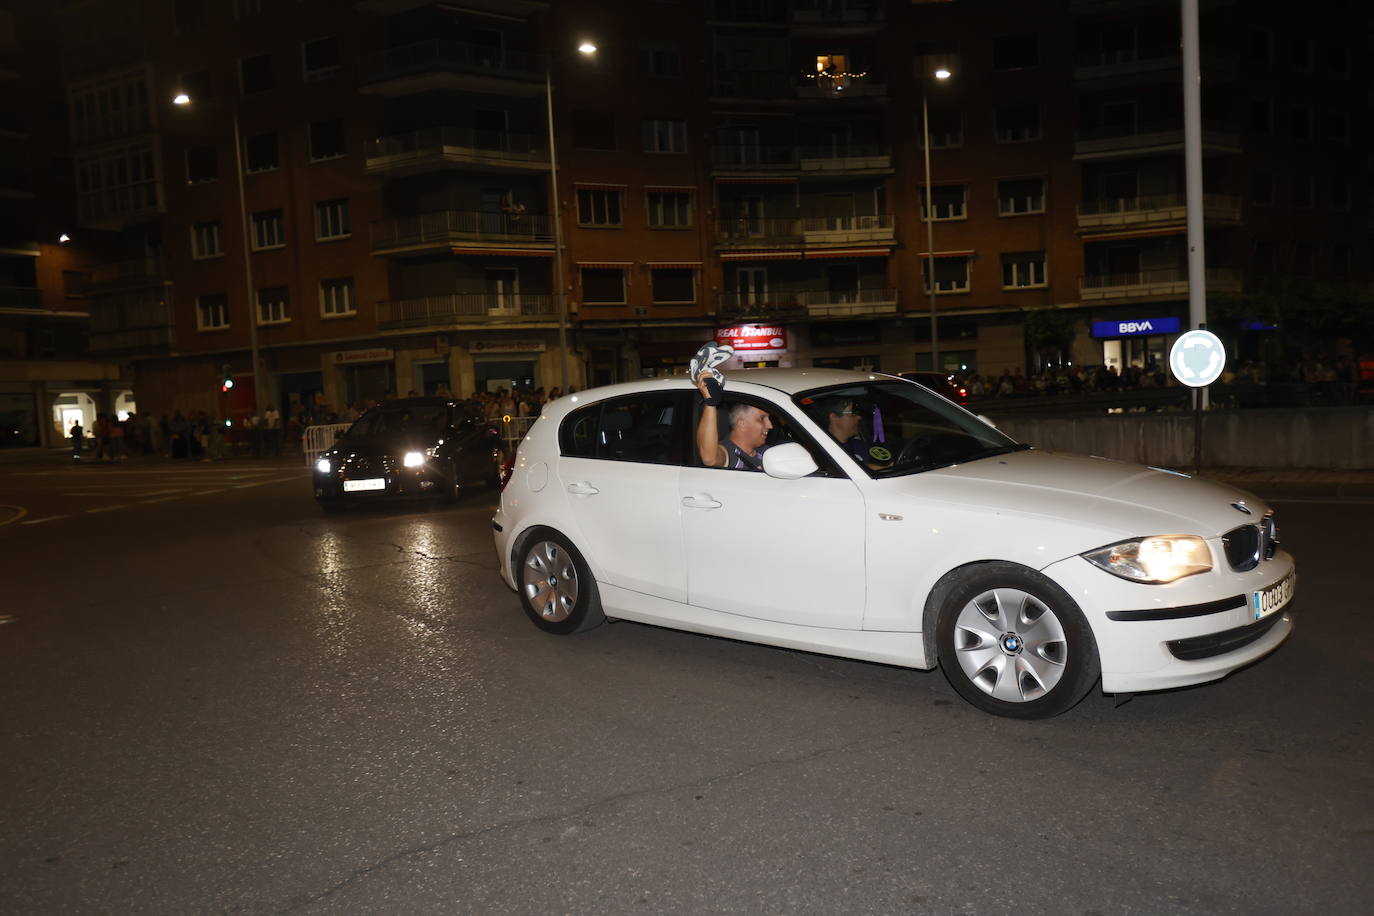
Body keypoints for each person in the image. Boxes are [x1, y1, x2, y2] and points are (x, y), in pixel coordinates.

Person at [694, 370, 772, 469]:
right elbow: (710, 458)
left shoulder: (766, 453)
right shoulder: (731, 454)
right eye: (762, 418)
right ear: (741, 424)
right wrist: (710, 404)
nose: (770, 425)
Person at [816, 396, 889, 467]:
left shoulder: (860, 446)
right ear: (834, 417)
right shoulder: (821, 453)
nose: (859, 417)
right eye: (852, 413)